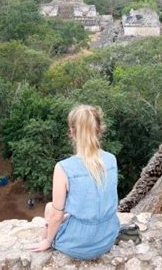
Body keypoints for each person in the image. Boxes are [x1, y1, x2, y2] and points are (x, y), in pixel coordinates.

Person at [29, 105, 120, 259]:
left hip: (78, 244)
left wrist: (48, 241)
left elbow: (57, 216)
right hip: (106, 238)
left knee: (51, 208)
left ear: (72, 133)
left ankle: (44, 239)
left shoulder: (64, 168)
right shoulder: (111, 160)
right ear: (99, 130)